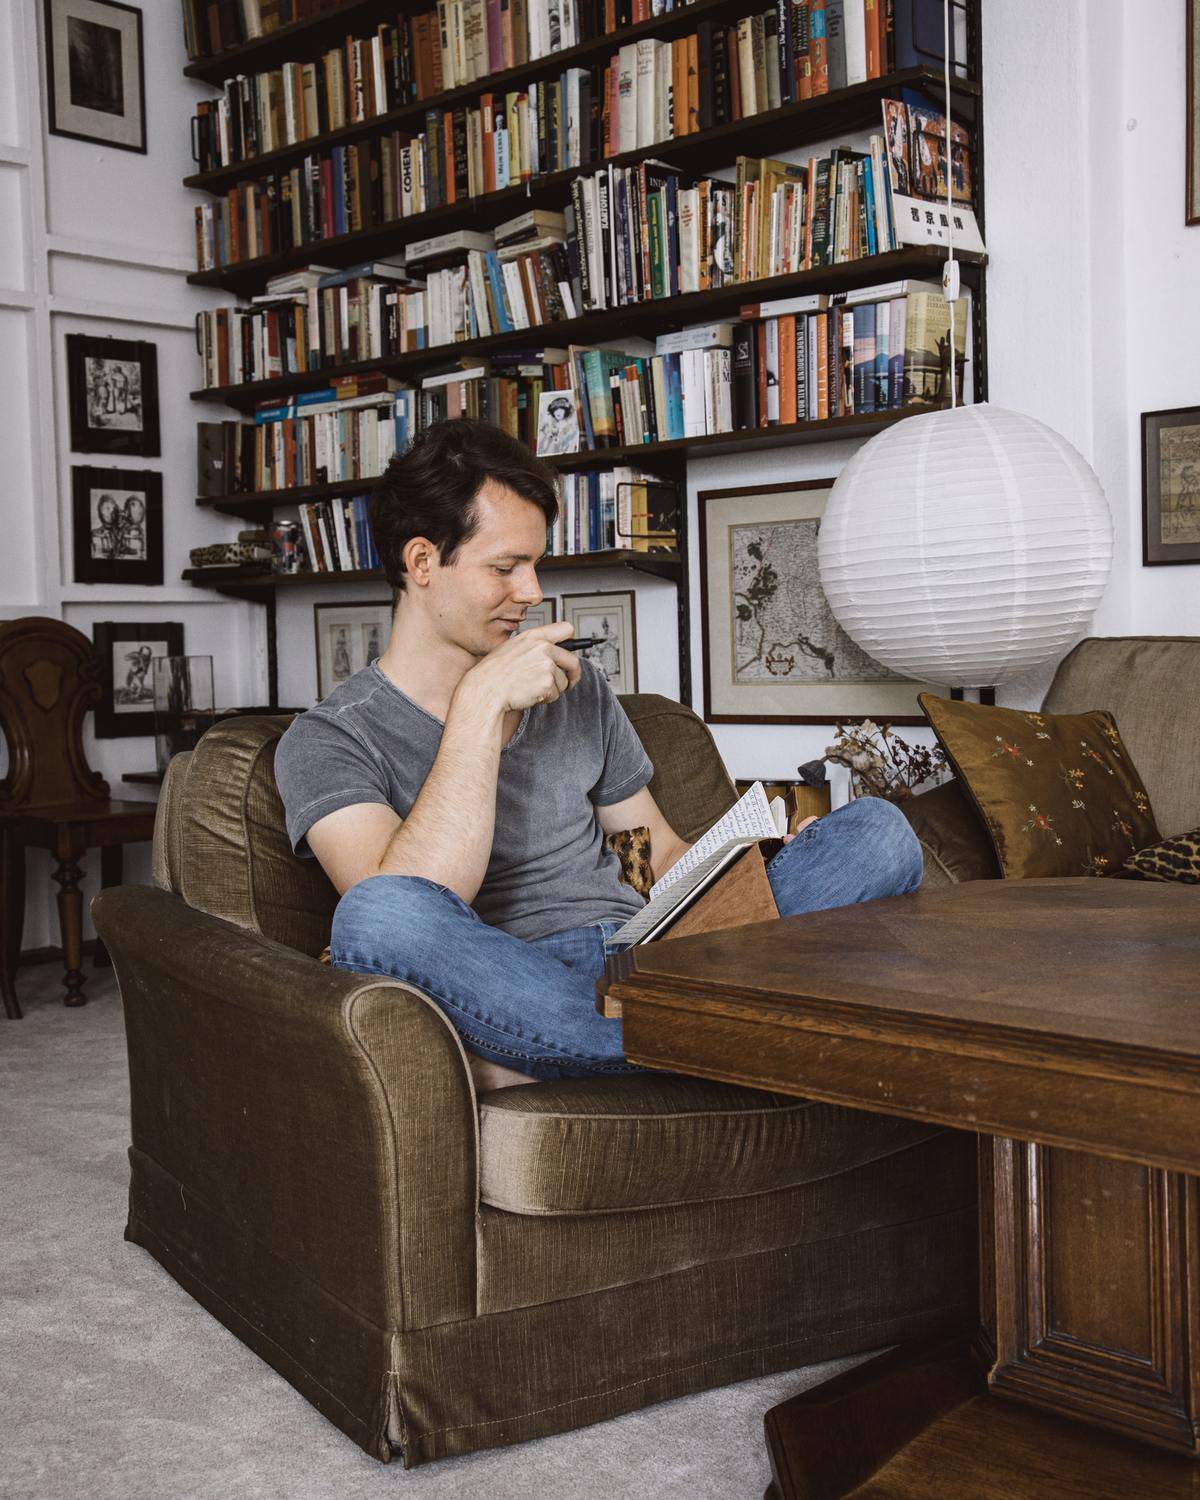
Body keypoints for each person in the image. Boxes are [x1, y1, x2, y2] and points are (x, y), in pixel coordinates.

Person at [274, 419, 923, 1089]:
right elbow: (415, 902)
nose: (531, 593)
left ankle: (577, 1057)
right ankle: (714, 1034)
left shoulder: (576, 692)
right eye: (505, 567)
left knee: (878, 834)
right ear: (422, 564)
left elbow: (648, 857)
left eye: (534, 564)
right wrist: (478, 709)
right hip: (512, 981)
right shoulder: (329, 739)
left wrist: (750, 868)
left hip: (645, 957)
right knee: (375, 915)